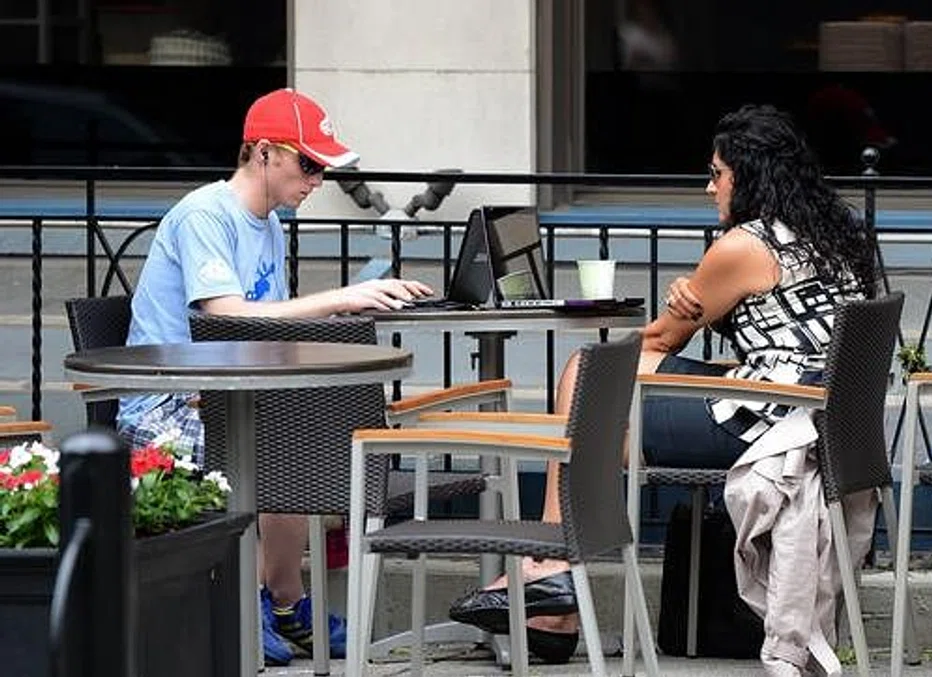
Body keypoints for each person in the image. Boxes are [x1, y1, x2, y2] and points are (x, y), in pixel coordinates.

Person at [448, 104, 878, 665]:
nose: (709, 187)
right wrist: (693, 301)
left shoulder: (744, 244)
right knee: (597, 411)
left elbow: (657, 343)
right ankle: (554, 594)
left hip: (777, 421)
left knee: (588, 378)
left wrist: (681, 306)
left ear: (749, 175)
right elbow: (779, 326)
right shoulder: (825, 233)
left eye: (717, 173)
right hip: (815, 414)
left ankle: (552, 572)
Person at [116, 88, 432, 666]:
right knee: (291, 438)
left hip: (223, 394)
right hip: (165, 408)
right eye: (308, 164)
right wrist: (339, 298)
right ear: (263, 152)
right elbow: (226, 315)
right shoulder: (206, 215)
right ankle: (258, 601)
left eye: (322, 168)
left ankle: (282, 602)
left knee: (302, 429)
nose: (317, 180)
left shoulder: (266, 224)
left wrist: (341, 311)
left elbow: (267, 330)